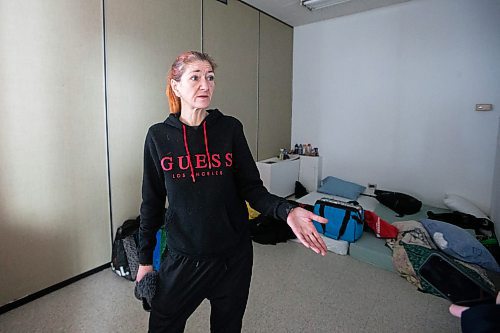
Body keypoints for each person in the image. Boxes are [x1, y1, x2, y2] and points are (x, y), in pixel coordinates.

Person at [136, 51, 328, 332]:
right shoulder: (158, 137)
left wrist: (287, 211)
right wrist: (144, 260)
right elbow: (151, 203)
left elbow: (253, 189)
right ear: (176, 86)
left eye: (210, 77)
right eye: (195, 77)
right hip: (183, 257)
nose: (206, 85)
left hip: (232, 259)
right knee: (162, 325)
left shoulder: (229, 129)